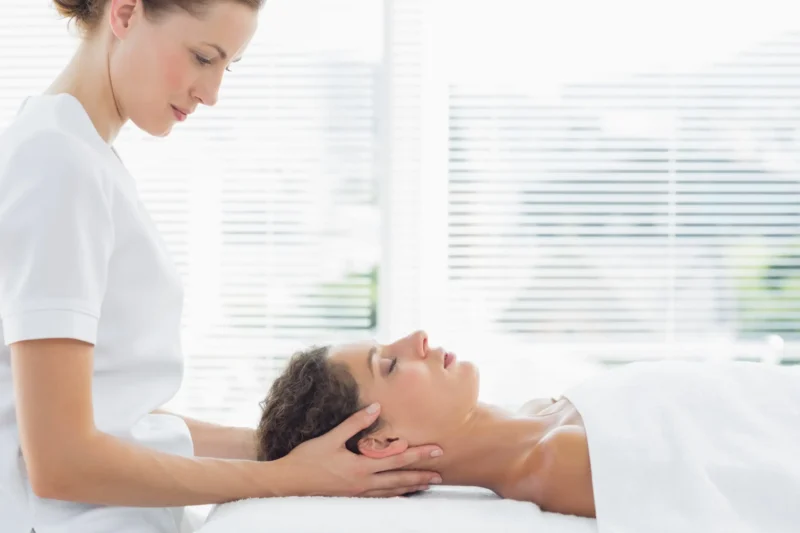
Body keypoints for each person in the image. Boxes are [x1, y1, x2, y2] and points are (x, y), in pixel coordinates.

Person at [0, 2, 443, 532]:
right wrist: (290, 477)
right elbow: (61, 463)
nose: (210, 94)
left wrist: (289, 449)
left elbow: (115, 416)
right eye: (201, 57)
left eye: (225, 67)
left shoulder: (75, 153)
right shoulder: (60, 164)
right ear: (124, 13)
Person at [255, 330, 800, 521]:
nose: (417, 339)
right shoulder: (558, 462)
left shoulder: (538, 416)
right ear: (385, 443)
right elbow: (763, 482)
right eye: (390, 364)